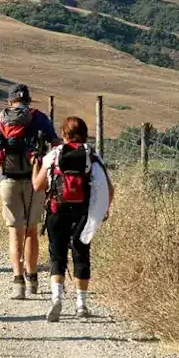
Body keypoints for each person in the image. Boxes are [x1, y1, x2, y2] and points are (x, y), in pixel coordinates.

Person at [0, 83, 59, 300]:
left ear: (10, 100)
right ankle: (32, 279)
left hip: (8, 179)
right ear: (28, 100)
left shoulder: (1, 118)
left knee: (15, 232)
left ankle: (18, 282)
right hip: (35, 180)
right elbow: (56, 143)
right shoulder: (39, 117)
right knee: (31, 230)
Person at [32, 116, 114, 322]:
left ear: (64, 134)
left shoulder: (54, 154)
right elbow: (108, 188)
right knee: (81, 254)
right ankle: (81, 304)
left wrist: (36, 164)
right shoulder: (93, 156)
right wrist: (103, 209)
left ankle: (57, 298)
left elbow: (37, 185)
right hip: (83, 213)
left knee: (57, 255)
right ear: (85, 133)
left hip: (56, 209)